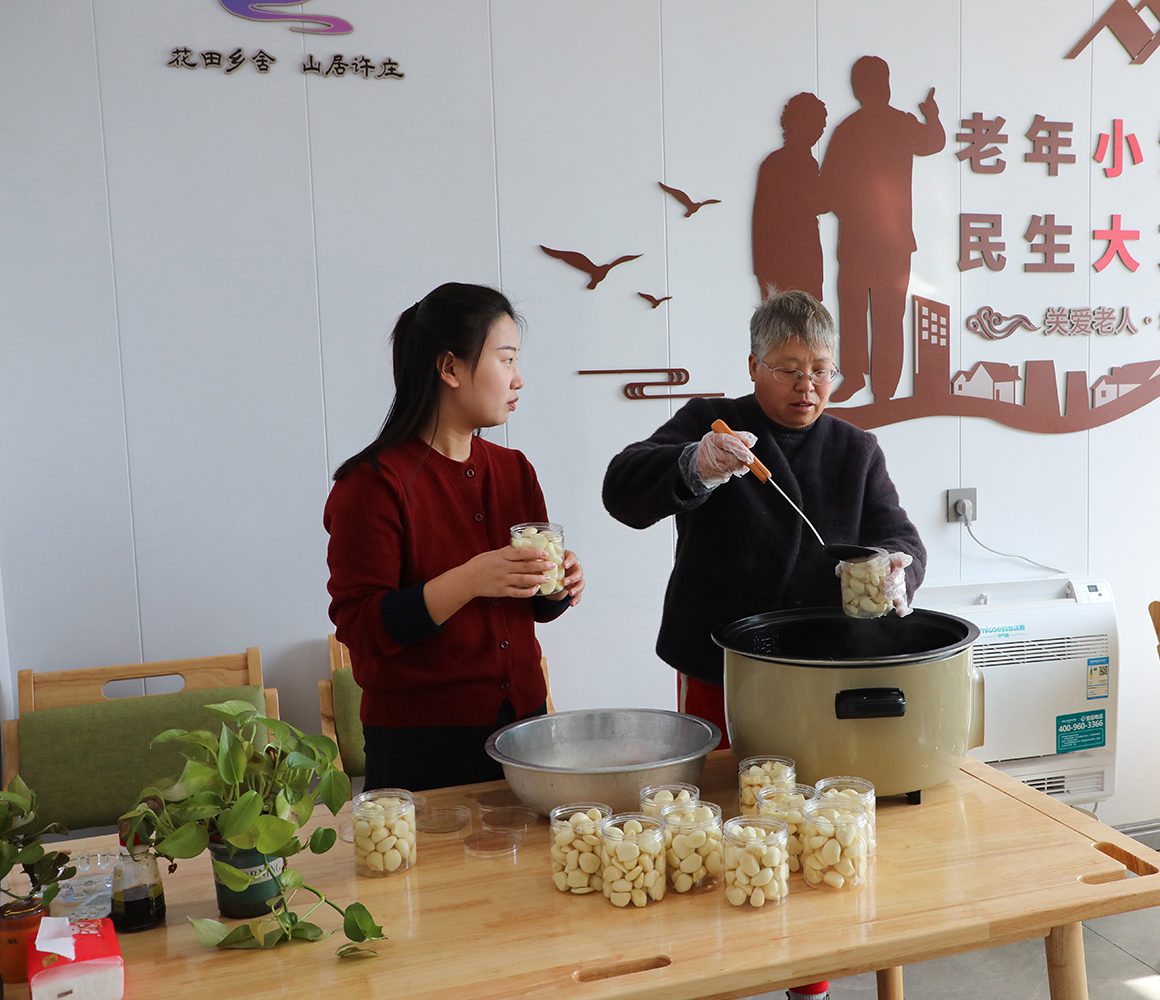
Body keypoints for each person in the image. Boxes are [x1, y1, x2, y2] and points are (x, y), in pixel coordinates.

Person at [602, 289, 925, 749]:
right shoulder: (712, 421)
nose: (807, 386)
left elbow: (898, 536)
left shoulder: (855, 449)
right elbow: (621, 490)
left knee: (823, 784)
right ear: (754, 366)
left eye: (821, 371)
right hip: (721, 661)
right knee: (720, 784)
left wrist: (895, 568)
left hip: (827, 663)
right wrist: (694, 464)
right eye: (789, 370)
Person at [325, 283, 585, 792]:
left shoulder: (514, 470)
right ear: (449, 368)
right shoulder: (372, 485)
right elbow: (360, 626)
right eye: (506, 360)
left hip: (525, 726)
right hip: (423, 746)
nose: (519, 378)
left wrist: (558, 585)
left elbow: (534, 606)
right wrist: (468, 580)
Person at [821, 56, 944, 403]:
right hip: (890, 242)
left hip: (861, 240)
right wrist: (932, 115)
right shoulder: (898, 123)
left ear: (858, 88)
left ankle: (859, 378)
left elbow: (827, 190)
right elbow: (933, 141)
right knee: (888, 315)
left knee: (856, 312)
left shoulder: (848, 128)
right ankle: (884, 388)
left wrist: (846, 209)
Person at [752, 92, 829, 300]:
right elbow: (813, 204)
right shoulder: (798, 163)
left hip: (789, 260)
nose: (821, 131)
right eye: (818, 124)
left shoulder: (778, 162)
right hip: (793, 259)